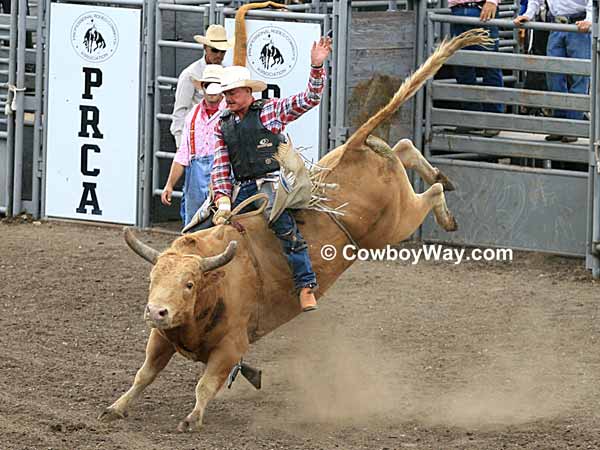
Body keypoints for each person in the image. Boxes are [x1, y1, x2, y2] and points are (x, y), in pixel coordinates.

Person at [210, 36, 333, 313]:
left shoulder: (269, 110)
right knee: (207, 226)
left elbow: (310, 98)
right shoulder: (223, 124)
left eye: (233, 92)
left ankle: (305, 284)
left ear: (248, 92)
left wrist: (316, 68)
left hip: (271, 184)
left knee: (282, 225)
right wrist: (222, 199)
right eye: (226, 93)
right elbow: (220, 164)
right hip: (241, 188)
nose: (228, 98)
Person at [170, 25, 233, 222]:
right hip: (197, 149)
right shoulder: (190, 75)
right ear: (205, 49)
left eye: (222, 51)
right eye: (215, 50)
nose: (219, 55)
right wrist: (185, 150)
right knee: (195, 207)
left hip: (218, 150)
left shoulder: (225, 74)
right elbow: (179, 113)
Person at [514, 0, 592, 143]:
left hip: (578, 25)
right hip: (556, 25)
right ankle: (560, 125)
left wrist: (589, 19)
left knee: (578, 76)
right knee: (553, 75)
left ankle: (572, 126)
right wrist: (528, 14)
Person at [161, 65, 226, 227]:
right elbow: (183, 154)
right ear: (202, 88)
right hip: (195, 176)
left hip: (223, 176)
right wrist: (169, 184)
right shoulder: (193, 115)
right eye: (208, 85)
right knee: (193, 225)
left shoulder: (230, 113)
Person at [449, 0, 504, 137]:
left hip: (482, 9)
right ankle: (472, 118)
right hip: (459, 11)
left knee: (489, 65)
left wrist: (492, 1)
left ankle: (492, 120)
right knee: (462, 67)